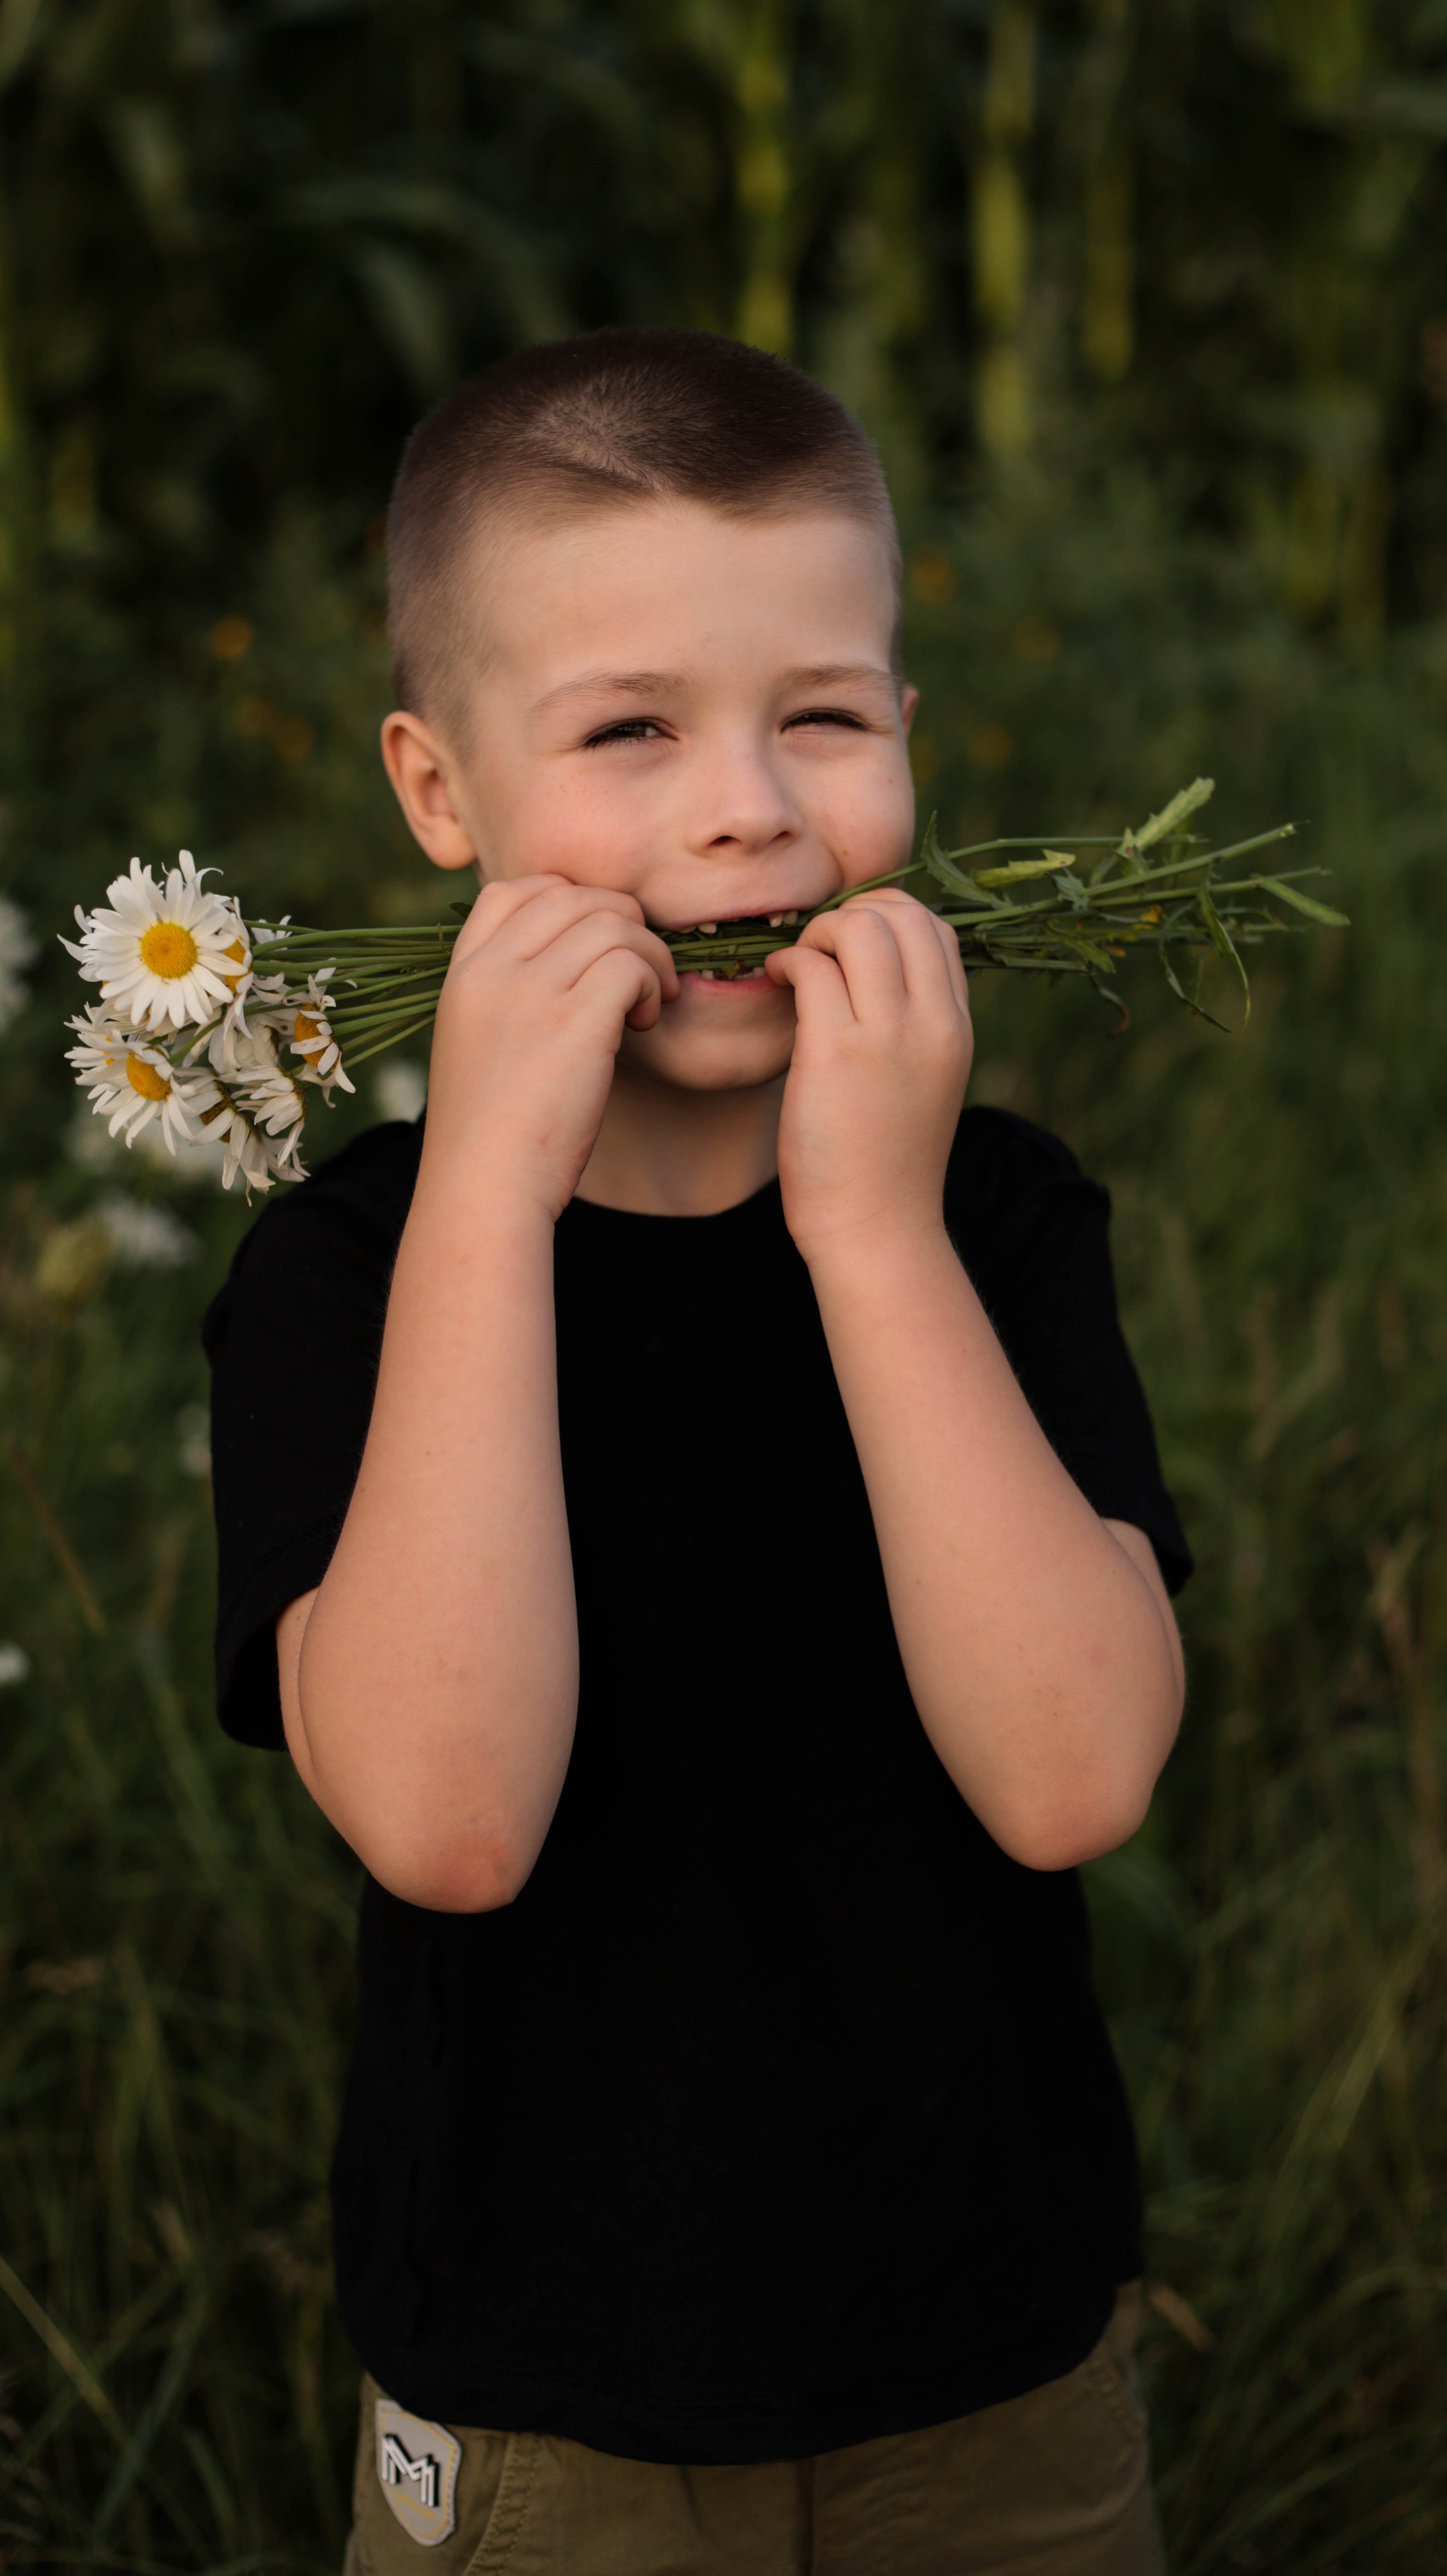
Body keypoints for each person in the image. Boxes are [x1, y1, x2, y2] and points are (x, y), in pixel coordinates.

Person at [205, 327, 1191, 2576]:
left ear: (907, 746)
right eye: (631, 731)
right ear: (437, 796)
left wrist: (871, 1227)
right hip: (550, 2415)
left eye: (820, 717)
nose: (748, 808)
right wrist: (481, 1192)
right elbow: (448, 1823)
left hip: (1000, 2380)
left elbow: (1076, 1778)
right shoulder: (349, 1272)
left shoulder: (995, 1216)